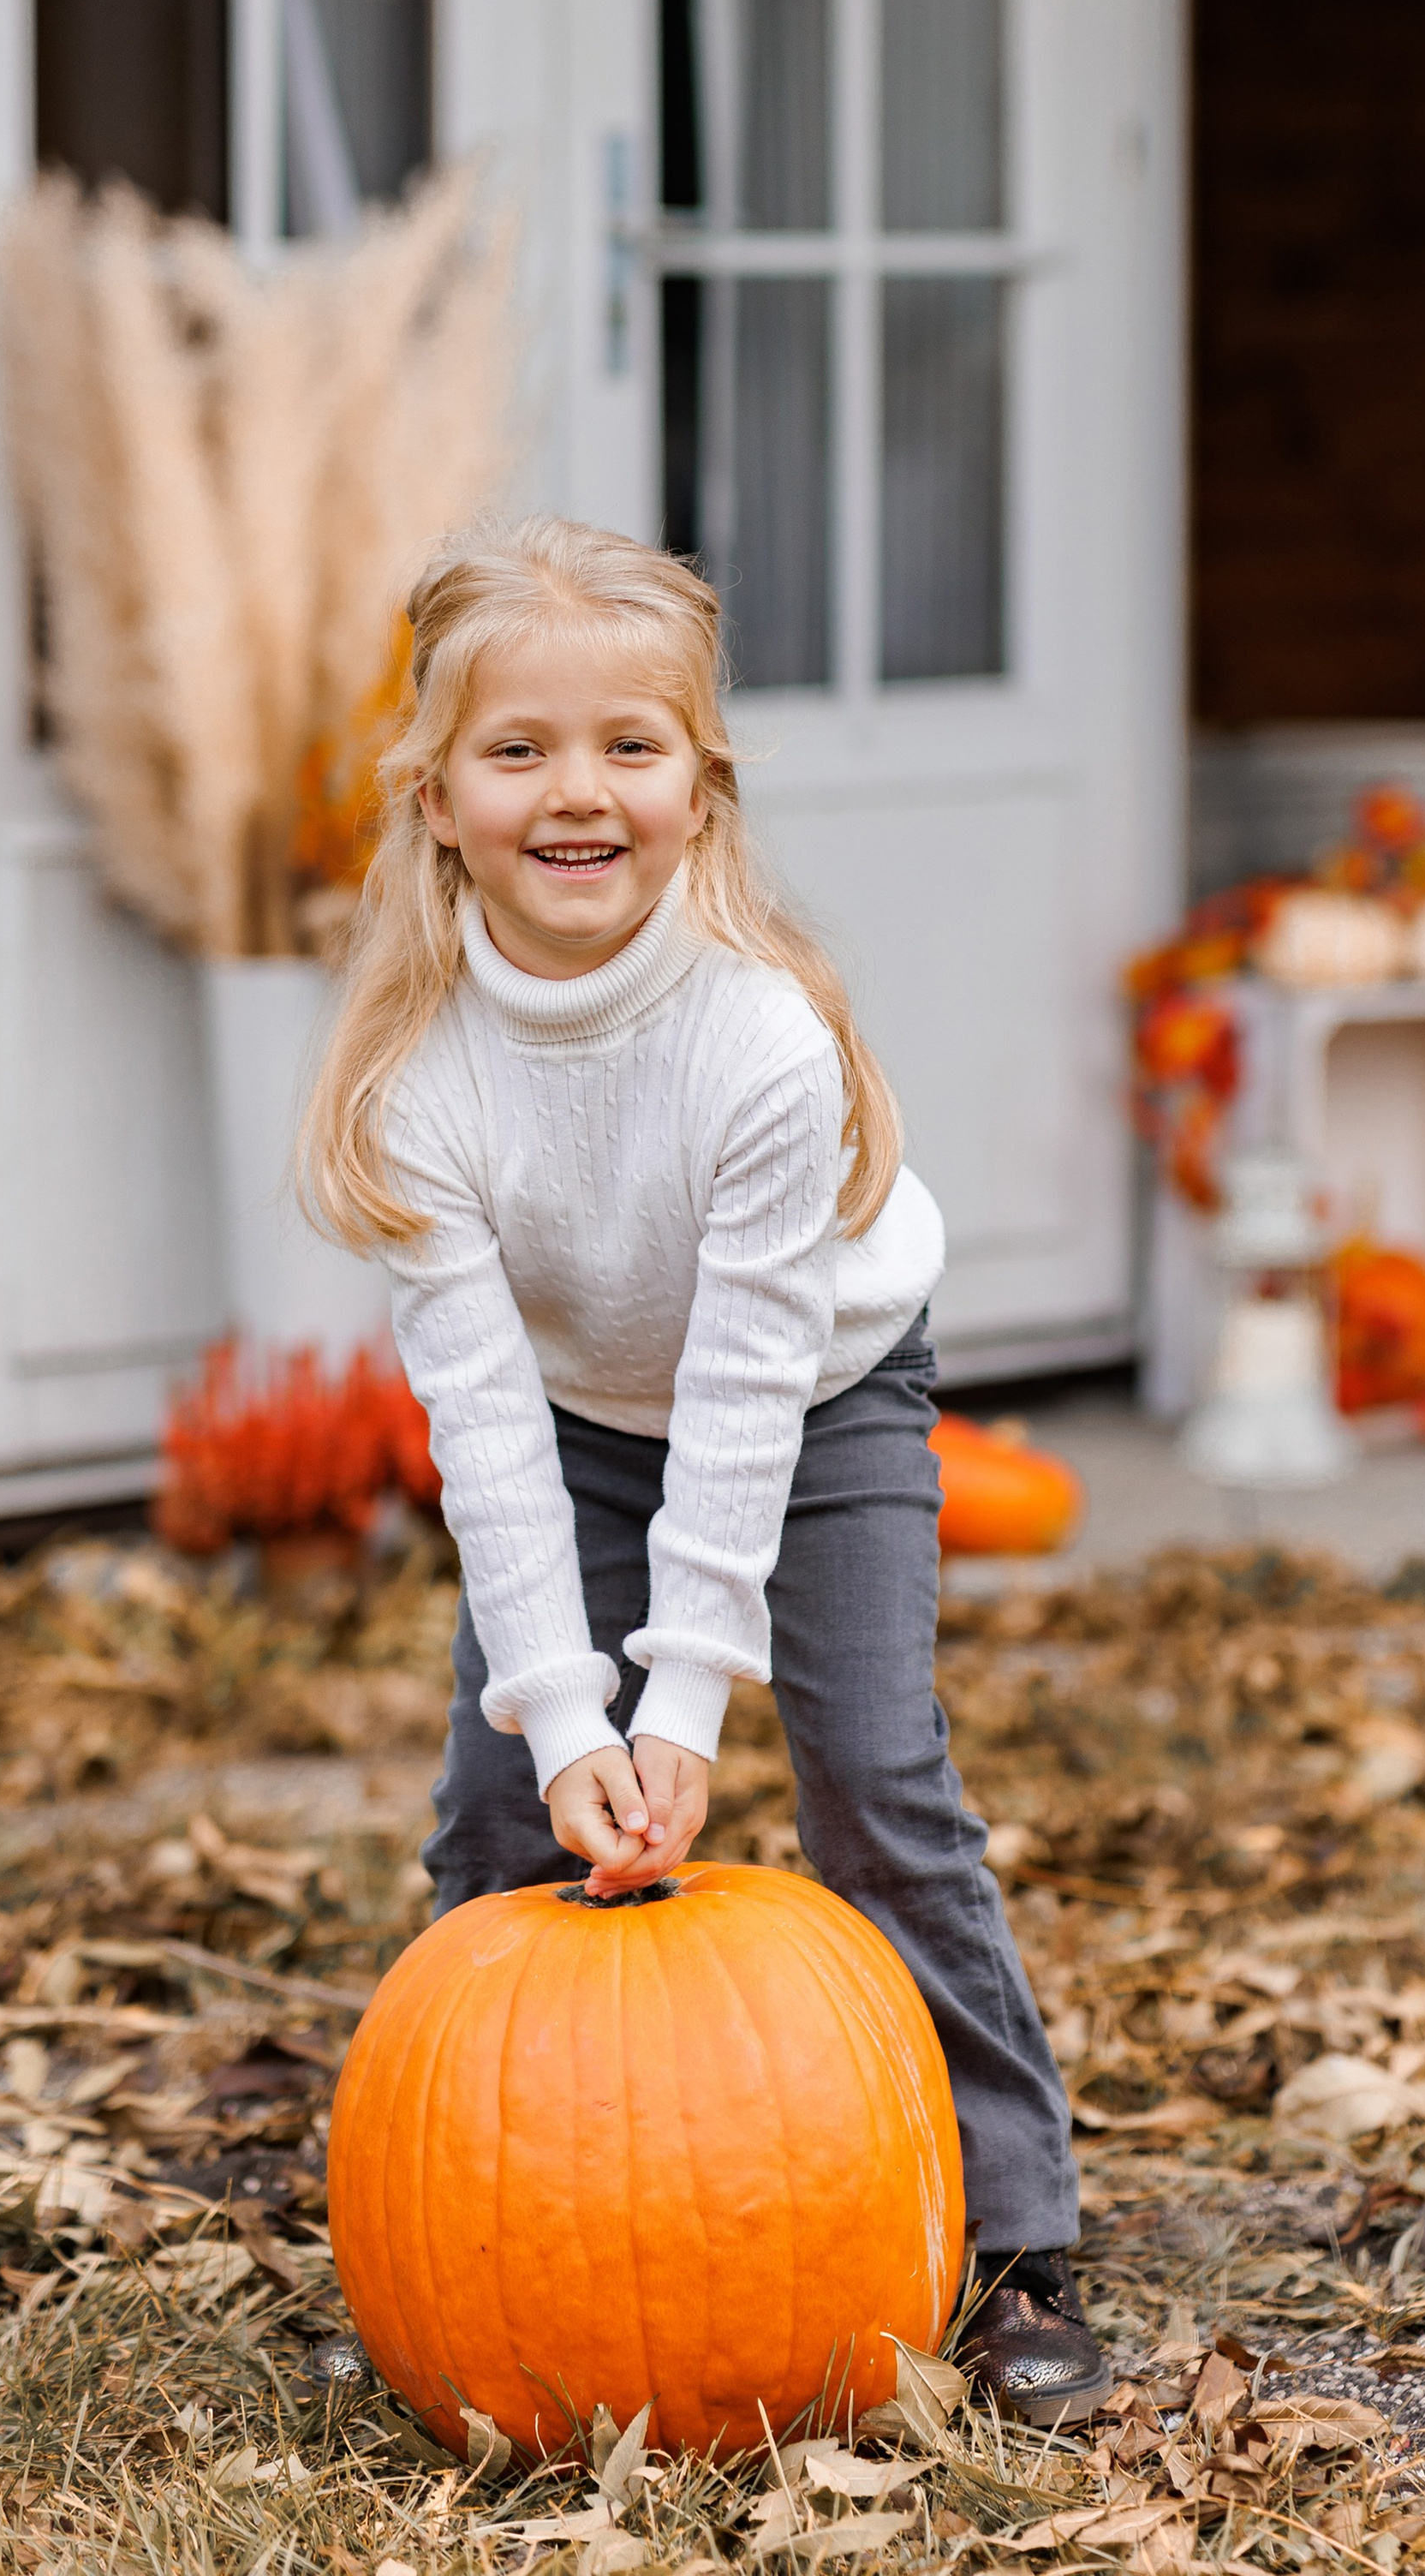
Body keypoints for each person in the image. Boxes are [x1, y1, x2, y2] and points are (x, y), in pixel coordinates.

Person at [305, 516, 1107, 2427]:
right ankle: (458, 2252)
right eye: (516, 751)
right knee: (500, 1810)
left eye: (625, 748)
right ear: (434, 796)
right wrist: (570, 1713)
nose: (573, 793)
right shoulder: (418, 1082)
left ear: (698, 784)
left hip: (814, 1402)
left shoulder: (757, 1044)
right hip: (577, 1421)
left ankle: (1011, 2237)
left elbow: (749, 1390)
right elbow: (483, 1436)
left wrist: (680, 1699)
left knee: (870, 1774)